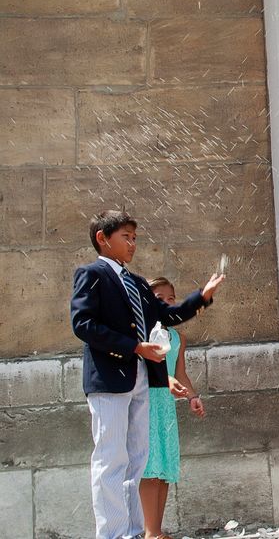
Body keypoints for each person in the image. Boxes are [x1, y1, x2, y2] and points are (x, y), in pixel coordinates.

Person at [71, 210, 223, 539]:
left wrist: (202, 297)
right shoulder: (92, 274)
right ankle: (111, 534)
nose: (132, 244)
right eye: (125, 237)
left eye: (135, 238)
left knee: (137, 459)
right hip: (109, 378)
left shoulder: (138, 283)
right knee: (110, 458)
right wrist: (134, 347)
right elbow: (82, 324)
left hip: (142, 379)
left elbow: (166, 315)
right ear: (102, 238)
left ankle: (134, 532)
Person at [140, 277, 207, 539]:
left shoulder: (178, 338)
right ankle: (150, 531)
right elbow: (145, 369)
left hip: (166, 405)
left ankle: (156, 529)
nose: (167, 304)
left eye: (171, 299)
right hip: (146, 400)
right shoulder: (144, 334)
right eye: (160, 299)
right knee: (150, 466)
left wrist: (192, 397)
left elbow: (180, 374)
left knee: (165, 467)